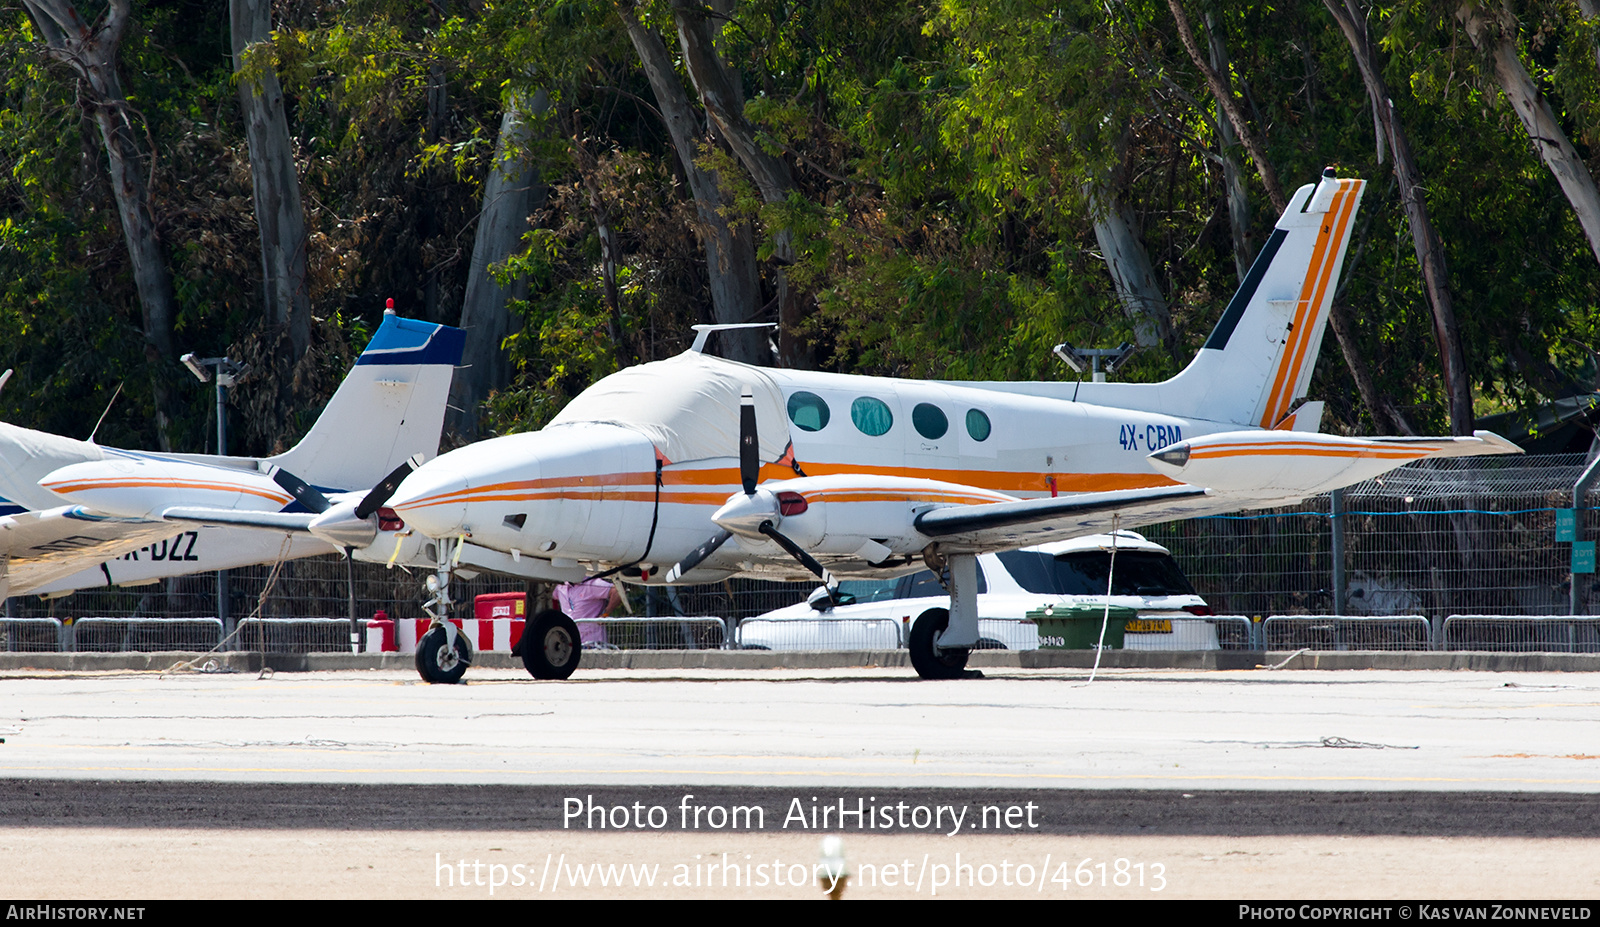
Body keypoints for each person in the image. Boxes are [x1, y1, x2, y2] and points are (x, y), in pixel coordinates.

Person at [554, 577, 624, 648]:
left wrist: (605, 614)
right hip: (570, 644)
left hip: (593, 644)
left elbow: (617, 592)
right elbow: (550, 597)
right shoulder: (561, 587)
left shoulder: (592, 584)